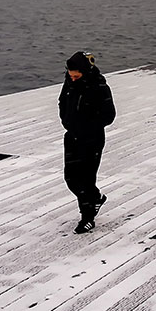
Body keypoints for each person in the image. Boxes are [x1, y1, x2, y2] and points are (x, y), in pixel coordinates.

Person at [58, 51, 116, 234]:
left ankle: (87, 217)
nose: (73, 78)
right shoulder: (69, 83)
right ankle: (96, 198)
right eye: (70, 75)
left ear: (85, 71)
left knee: (86, 178)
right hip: (72, 136)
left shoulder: (99, 86)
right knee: (71, 178)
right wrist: (66, 120)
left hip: (92, 138)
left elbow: (109, 115)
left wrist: (88, 125)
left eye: (77, 75)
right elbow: (62, 102)